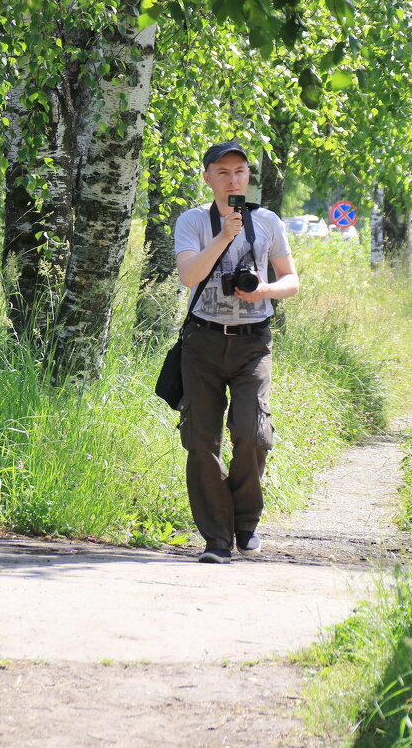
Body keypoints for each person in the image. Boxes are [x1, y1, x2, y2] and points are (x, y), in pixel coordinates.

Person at [173, 140, 299, 563]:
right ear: (208, 177)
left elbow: (291, 281)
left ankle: (245, 523)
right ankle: (216, 540)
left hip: (252, 342)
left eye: (240, 172)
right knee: (201, 441)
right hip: (202, 342)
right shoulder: (192, 221)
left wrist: (264, 290)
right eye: (223, 172)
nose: (233, 179)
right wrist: (224, 234)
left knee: (251, 432)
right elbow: (190, 275)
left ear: (248, 177)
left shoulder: (267, 221)